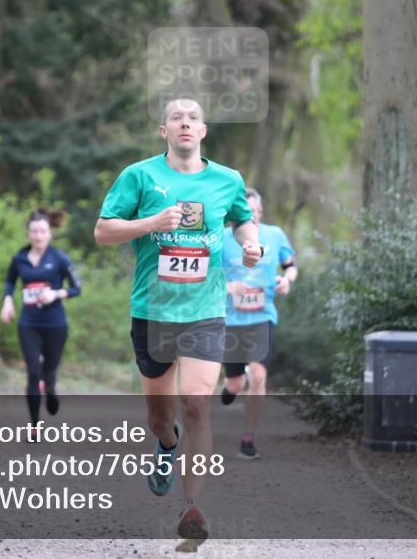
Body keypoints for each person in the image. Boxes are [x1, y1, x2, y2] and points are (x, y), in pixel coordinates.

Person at [94, 98, 262, 543]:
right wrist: (150, 222)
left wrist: (252, 246)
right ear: (163, 131)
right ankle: (167, 445)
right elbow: (103, 230)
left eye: (192, 118)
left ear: (203, 130)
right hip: (152, 312)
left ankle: (192, 506)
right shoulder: (140, 176)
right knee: (161, 418)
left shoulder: (228, 180)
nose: (184, 124)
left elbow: (244, 221)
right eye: (176, 118)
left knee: (196, 404)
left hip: (205, 312)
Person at [220, 188, 297, 459]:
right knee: (236, 384)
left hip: (262, 317)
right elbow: (208, 279)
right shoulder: (221, 239)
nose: (249, 218)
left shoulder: (275, 236)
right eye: (243, 213)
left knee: (259, 375)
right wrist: (229, 288)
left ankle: (248, 438)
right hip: (230, 320)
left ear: (260, 212)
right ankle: (230, 388)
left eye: (253, 212)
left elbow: (290, 265)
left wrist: (287, 279)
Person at [1, 208, 82, 439]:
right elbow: (9, 282)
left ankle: (52, 389)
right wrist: (7, 302)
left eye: (42, 231)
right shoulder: (19, 258)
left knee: (48, 372)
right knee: (33, 372)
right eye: (34, 231)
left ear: (49, 234)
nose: (38, 236)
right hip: (29, 323)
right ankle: (34, 427)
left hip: (55, 324)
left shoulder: (60, 259)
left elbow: (77, 288)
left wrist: (56, 294)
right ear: (28, 234)